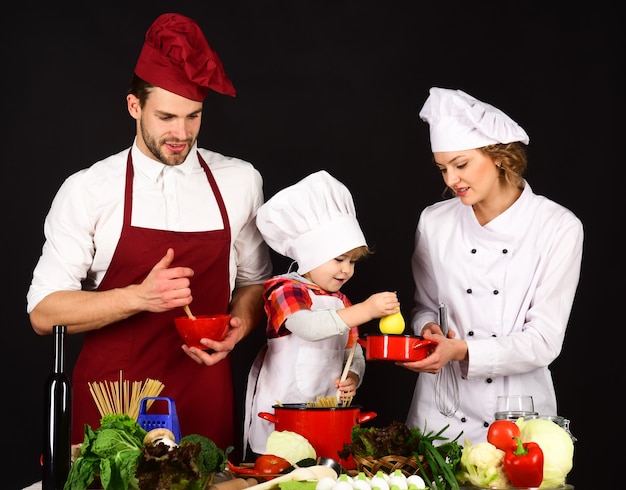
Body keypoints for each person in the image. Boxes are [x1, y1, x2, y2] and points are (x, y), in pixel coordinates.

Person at [26, 12, 272, 452]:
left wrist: (240, 325)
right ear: (134, 106)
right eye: (166, 117)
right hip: (113, 404)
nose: (181, 134)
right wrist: (140, 297)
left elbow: (254, 283)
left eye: (193, 117)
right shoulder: (89, 189)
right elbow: (44, 313)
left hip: (204, 393)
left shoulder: (239, 181)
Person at [401, 87, 584, 446]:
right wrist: (429, 332)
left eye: (461, 164)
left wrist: (464, 352)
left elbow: (545, 341)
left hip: (521, 417)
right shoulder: (434, 222)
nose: (451, 180)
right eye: (442, 168)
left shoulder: (558, 226)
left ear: (499, 156)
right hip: (441, 416)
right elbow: (424, 306)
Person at [242, 170, 400, 458]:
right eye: (339, 259)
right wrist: (365, 310)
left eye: (352, 262)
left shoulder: (342, 301)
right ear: (310, 254)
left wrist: (353, 376)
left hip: (326, 414)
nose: (347, 270)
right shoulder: (285, 289)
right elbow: (308, 327)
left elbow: (354, 353)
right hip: (282, 414)